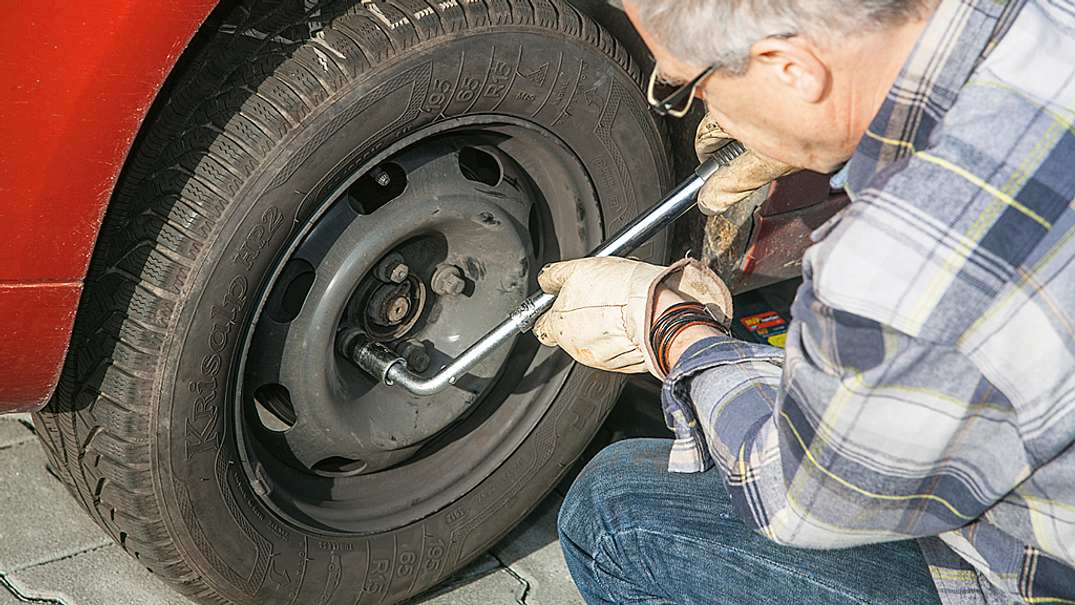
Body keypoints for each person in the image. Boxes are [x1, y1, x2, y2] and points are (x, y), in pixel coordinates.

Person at [533, 0, 1075, 603]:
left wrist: (672, 327)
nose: (705, 111)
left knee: (613, 515)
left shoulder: (898, 261)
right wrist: (828, 130)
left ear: (792, 68)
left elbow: (794, 493)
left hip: (1039, 577)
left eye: (691, 88)